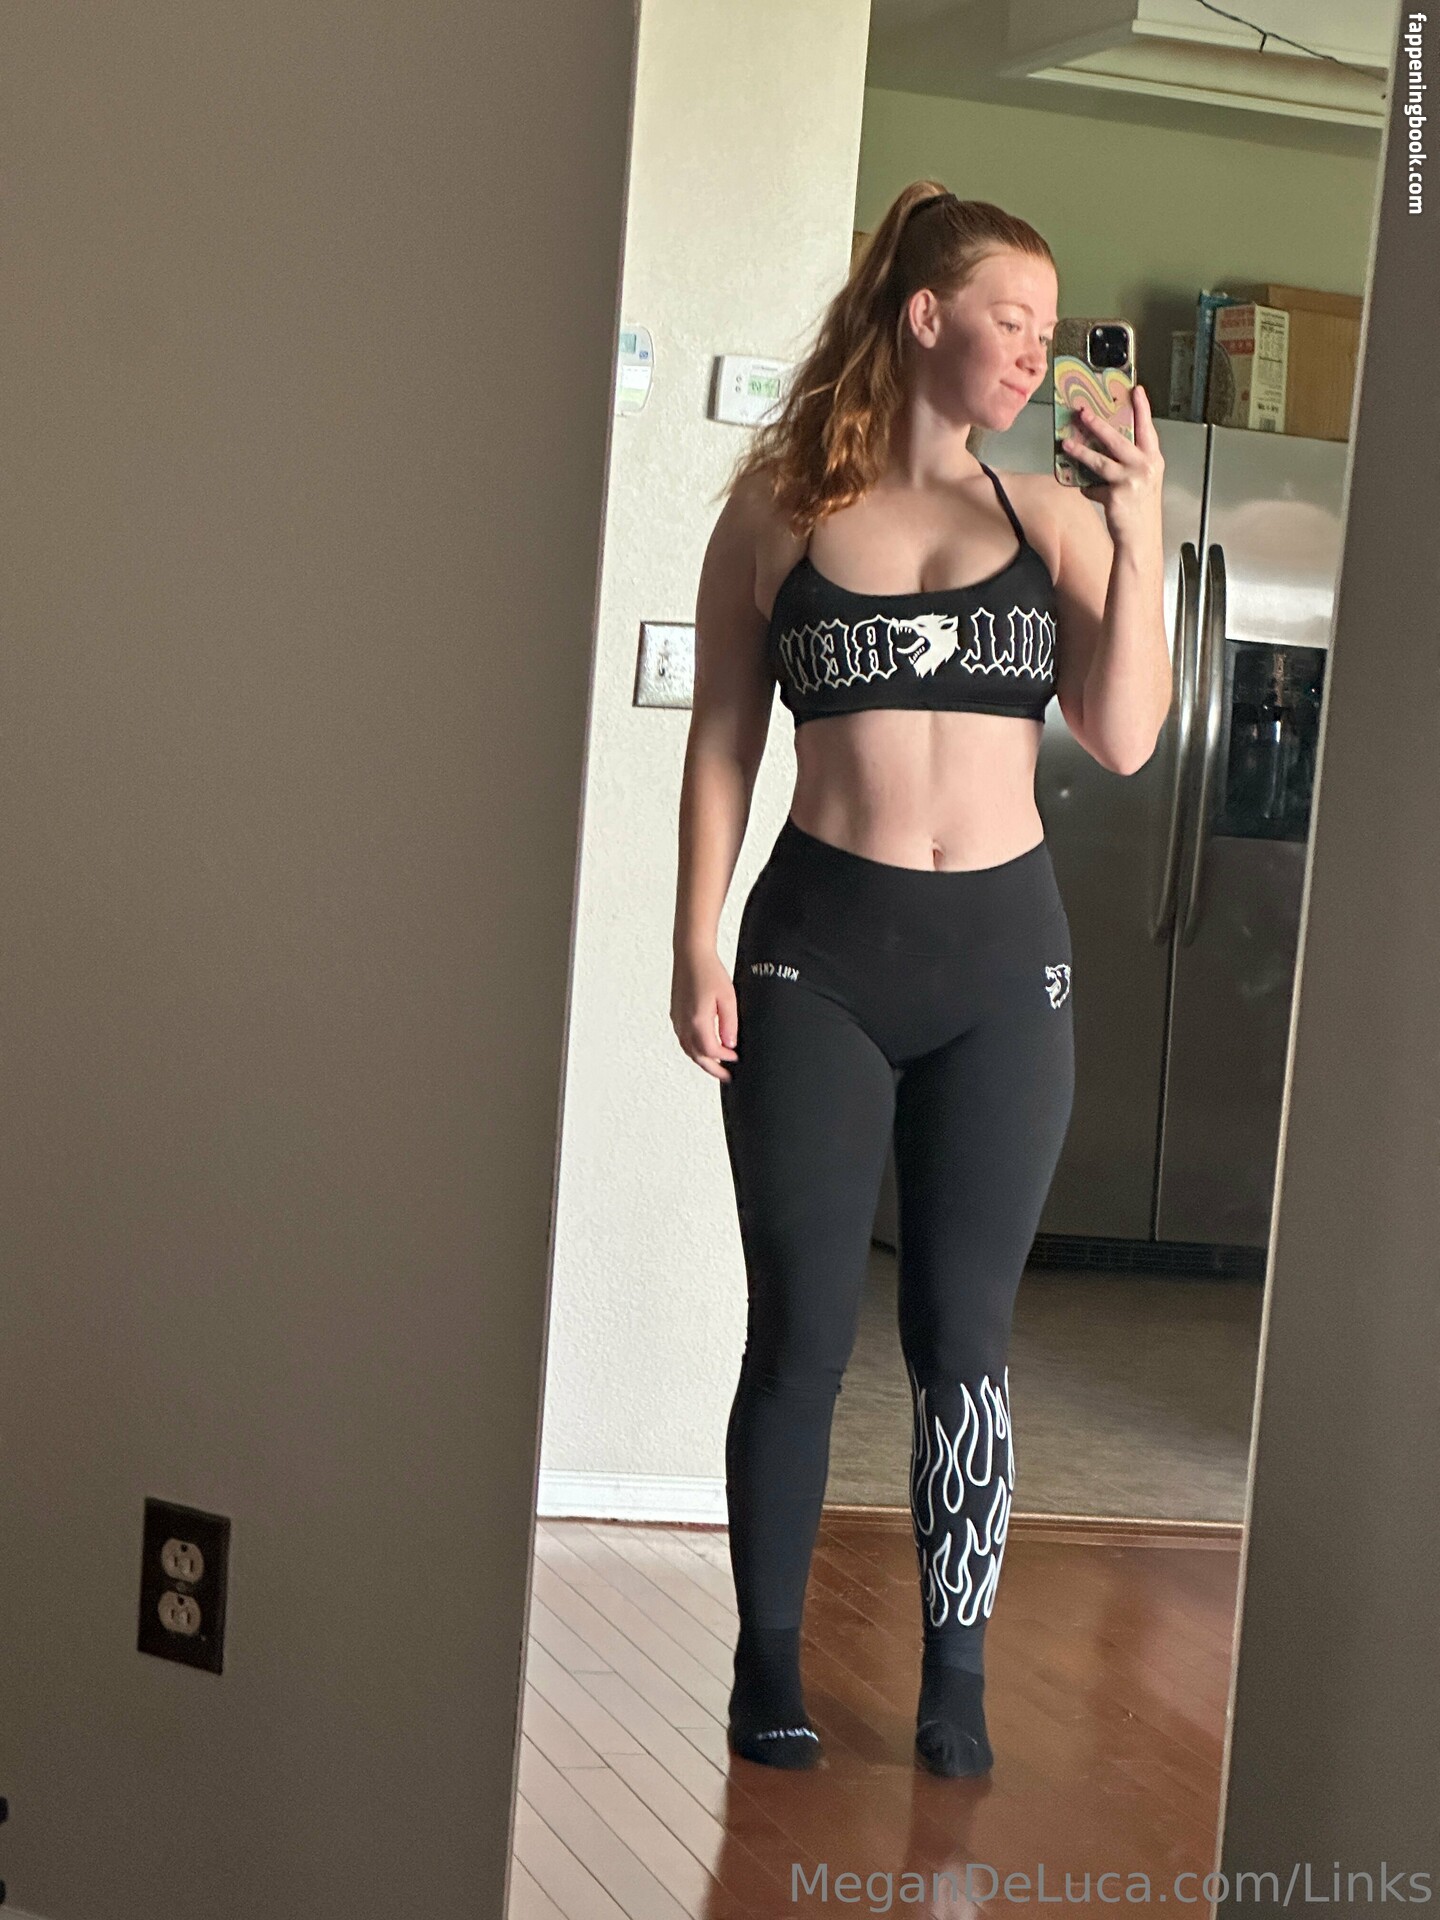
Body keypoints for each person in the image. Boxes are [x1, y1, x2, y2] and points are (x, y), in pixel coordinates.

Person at [669, 182, 1169, 1778]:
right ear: (924, 314)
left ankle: (956, 1677)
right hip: (815, 957)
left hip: (1001, 970)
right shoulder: (776, 513)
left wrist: (1141, 533)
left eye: (1049, 329)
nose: (1034, 352)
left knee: (966, 1336)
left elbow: (1125, 734)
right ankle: (767, 1666)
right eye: (1012, 320)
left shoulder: (1054, 519)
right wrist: (693, 937)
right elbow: (722, 740)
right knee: (800, 1334)